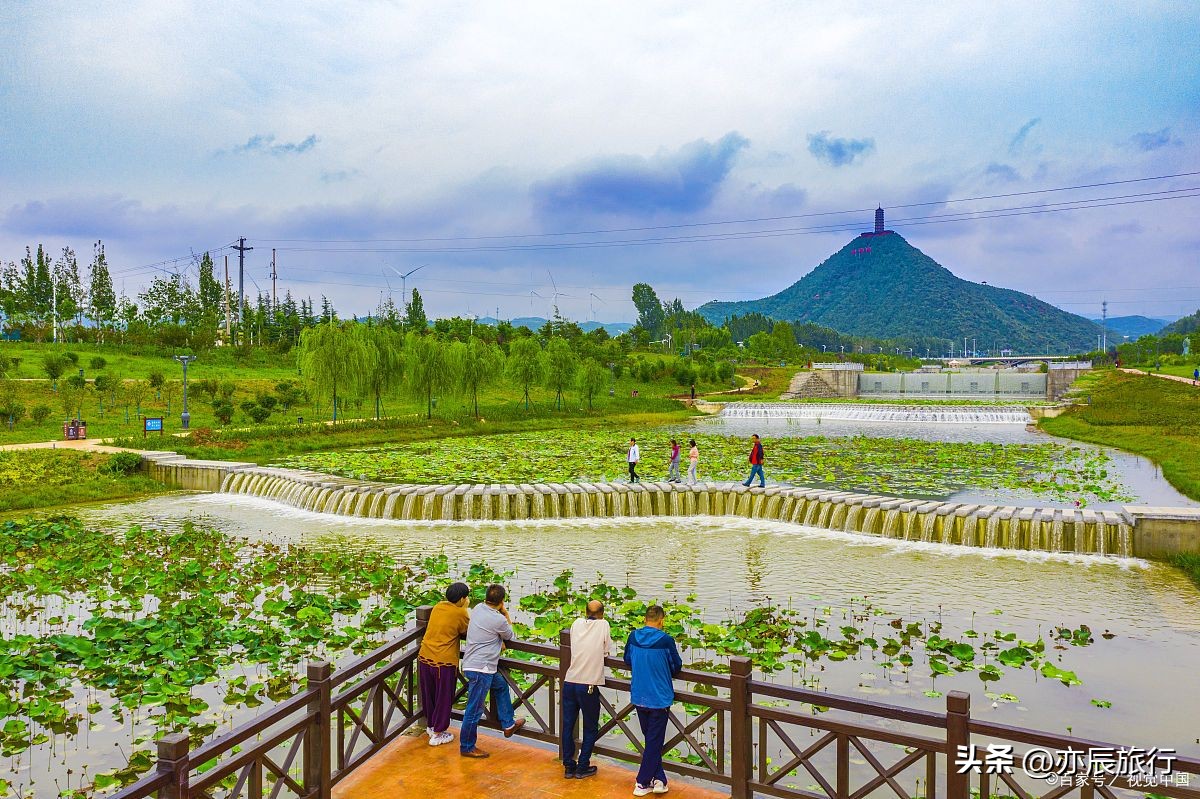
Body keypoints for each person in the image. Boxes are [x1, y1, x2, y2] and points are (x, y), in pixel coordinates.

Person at [459, 584, 525, 758]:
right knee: (474, 709)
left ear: (486, 597)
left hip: (473, 664)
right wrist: (506, 615)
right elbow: (510, 636)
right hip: (482, 669)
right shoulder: (499, 620)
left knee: (501, 685)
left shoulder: (478, 608)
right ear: (502, 601)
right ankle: (467, 746)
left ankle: (508, 723)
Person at [625, 605, 682, 796]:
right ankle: (641, 783)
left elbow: (627, 659)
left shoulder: (633, 637)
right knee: (653, 742)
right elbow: (676, 667)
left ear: (645, 619)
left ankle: (659, 780)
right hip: (659, 698)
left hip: (639, 695)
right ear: (661, 620)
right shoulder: (666, 640)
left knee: (651, 741)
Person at [561, 600, 613, 780]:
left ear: (585, 612)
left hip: (569, 681)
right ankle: (582, 766)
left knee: (568, 725)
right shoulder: (604, 625)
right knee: (590, 727)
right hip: (588, 685)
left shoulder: (575, 623)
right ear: (602, 613)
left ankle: (568, 766)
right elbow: (607, 651)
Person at [418, 582, 471, 746]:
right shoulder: (460, 613)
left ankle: (431, 725)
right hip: (443, 662)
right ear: (462, 598)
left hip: (425, 656)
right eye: (466, 597)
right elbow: (467, 630)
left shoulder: (438, 606)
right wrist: (466, 609)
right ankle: (438, 733)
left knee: (430, 693)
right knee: (444, 696)